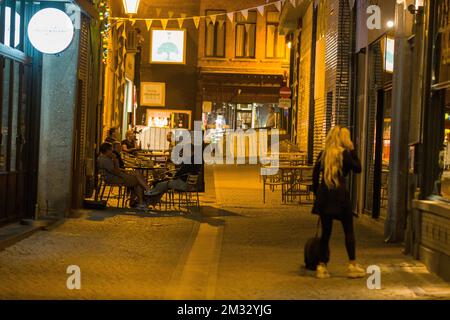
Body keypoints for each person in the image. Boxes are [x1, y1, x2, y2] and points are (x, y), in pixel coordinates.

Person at [312, 126, 365, 279]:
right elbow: (358, 168)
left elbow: (315, 176)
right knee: (348, 230)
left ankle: (321, 267)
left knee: (326, 233)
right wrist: (352, 150)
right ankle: (352, 265)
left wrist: (317, 194)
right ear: (344, 139)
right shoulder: (346, 154)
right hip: (340, 197)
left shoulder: (323, 154)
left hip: (325, 196)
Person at [97, 143, 150, 211]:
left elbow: (115, 170)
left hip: (115, 177)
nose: (112, 151)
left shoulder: (102, 158)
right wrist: (115, 160)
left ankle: (139, 201)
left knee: (136, 174)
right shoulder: (105, 160)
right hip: (115, 178)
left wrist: (125, 170)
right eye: (111, 150)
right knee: (138, 181)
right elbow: (116, 172)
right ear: (107, 150)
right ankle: (144, 196)